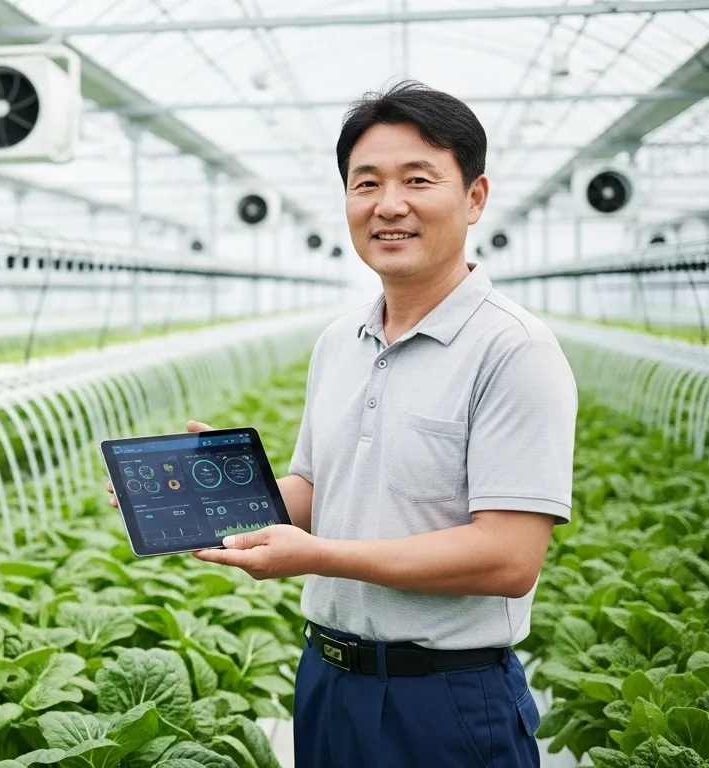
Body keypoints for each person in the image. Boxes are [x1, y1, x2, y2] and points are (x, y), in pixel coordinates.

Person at [106, 80, 576, 767]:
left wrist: (317, 557)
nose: (389, 205)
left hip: (443, 698)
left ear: (475, 197)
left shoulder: (513, 349)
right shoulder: (340, 341)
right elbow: (316, 488)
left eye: (418, 179)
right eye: (366, 183)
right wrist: (203, 502)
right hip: (327, 680)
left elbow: (507, 558)